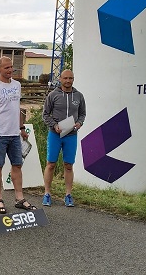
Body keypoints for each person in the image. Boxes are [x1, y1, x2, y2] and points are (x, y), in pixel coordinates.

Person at [0, 56, 37, 214]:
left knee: (17, 165)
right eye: (6, 68)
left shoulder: (17, 85)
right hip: (0, 134)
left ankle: (19, 198)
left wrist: (21, 128)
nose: (10, 70)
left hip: (14, 134)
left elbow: (17, 107)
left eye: (11, 67)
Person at [42, 69, 86, 207]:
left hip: (71, 135)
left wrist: (79, 123)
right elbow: (45, 114)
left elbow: (82, 114)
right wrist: (54, 125)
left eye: (70, 78)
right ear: (60, 79)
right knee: (51, 164)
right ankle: (47, 194)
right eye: (65, 78)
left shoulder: (79, 96)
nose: (68, 81)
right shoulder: (53, 95)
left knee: (68, 165)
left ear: (73, 79)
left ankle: (68, 195)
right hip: (55, 135)